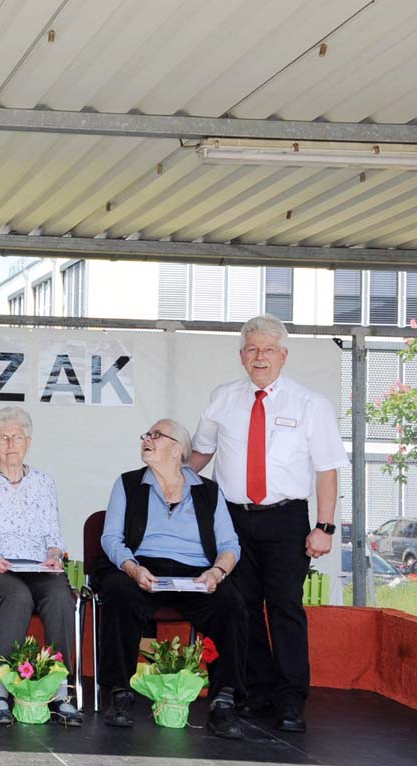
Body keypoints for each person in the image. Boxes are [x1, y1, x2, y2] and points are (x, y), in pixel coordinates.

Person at [189, 314, 348, 733]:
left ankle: (291, 698)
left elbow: (328, 470)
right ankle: (257, 690)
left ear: (284, 355)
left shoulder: (311, 404)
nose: (260, 357)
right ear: (241, 356)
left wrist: (325, 527)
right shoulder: (222, 398)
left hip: (286, 518)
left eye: (268, 349)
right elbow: (201, 455)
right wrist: (164, 479)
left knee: (284, 606)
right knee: (242, 608)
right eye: (252, 349)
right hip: (233, 519)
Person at [95, 418, 246, 740]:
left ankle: (224, 699)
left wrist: (217, 572)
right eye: (146, 434)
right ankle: (120, 693)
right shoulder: (128, 484)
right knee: (118, 591)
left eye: (156, 435)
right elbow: (111, 538)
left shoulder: (208, 492)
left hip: (196, 572)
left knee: (230, 601)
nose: (146, 439)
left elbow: (230, 545)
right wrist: (132, 567)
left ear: (178, 448)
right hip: (144, 566)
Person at [0, 406, 83, 726]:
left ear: (29, 441)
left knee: (61, 595)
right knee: (18, 595)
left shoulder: (43, 482)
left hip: (36, 564)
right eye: (3, 438)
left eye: (17, 437)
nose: (11, 443)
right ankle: (1, 685)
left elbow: (54, 536)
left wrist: (53, 555)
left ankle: (58, 689)